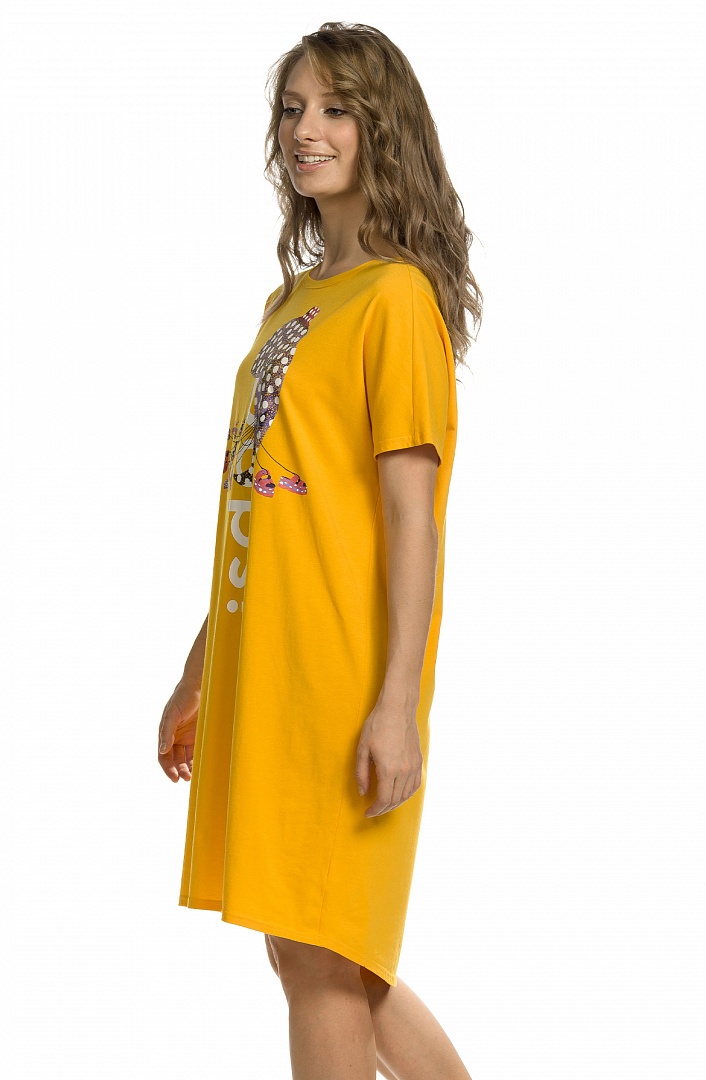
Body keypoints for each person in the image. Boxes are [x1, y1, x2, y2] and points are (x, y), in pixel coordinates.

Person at [158, 22, 482, 1080]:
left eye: (336, 108)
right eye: (293, 109)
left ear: (383, 128)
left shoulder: (396, 300)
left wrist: (397, 703)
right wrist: (201, 669)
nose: (307, 129)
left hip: (341, 678)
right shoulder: (293, 301)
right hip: (270, 666)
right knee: (312, 950)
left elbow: (412, 519)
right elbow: (263, 506)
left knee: (322, 952)